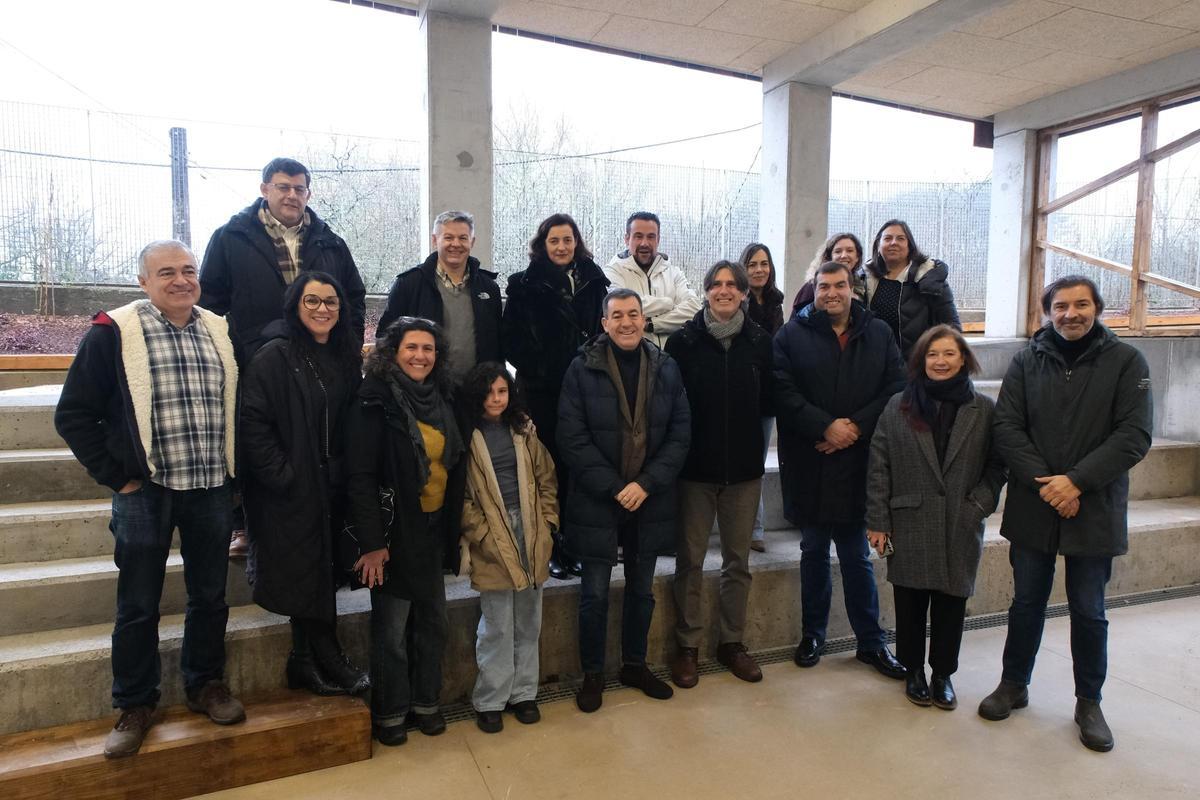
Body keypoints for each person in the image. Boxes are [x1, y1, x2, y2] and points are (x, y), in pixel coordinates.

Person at [55, 240, 244, 758]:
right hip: (146, 493)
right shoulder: (113, 332)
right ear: (143, 281)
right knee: (138, 604)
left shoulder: (218, 331)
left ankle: (205, 683)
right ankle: (135, 703)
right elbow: (73, 414)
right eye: (167, 272)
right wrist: (118, 477)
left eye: (188, 270)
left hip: (209, 488)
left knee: (210, 596)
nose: (181, 280)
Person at [978, 276, 1152, 753]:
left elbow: (1134, 435)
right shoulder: (1026, 361)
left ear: (1097, 307)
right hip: (1036, 506)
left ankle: (1089, 701)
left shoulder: (1126, 362)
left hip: (1094, 506)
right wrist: (1050, 485)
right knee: (1026, 603)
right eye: (1060, 306)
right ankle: (1014, 684)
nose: (1070, 313)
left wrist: (1075, 481)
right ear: (1047, 311)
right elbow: (1008, 427)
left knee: (1089, 611)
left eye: (1080, 305)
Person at [200, 156, 366, 557]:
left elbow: (354, 298)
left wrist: (346, 346)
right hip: (254, 359)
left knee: (317, 434)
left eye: (299, 188)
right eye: (283, 187)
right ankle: (243, 523)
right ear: (264, 190)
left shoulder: (330, 241)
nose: (292, 195)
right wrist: (233, 349)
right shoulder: (231, 237)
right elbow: (209, 303)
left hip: (322, 358)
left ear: (308, 193)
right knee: (256, 436)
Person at [558, 288, 691, 713]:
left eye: (633, 314)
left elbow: (680, 434)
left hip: (649, 499)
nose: (627, 322)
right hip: (599, 499)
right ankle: (593, 673)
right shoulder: (581, 368)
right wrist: (615, 486)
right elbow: (571, 437)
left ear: (644, 320)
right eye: (617, 316)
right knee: (594, 593)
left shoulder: (666, 367)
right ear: (604, 323)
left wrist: (647, 483)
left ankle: (634, 664)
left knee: (642, 591)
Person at [773, 260, 906, 680]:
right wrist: (824, 426)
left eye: (839, 285)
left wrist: (853, 427)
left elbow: (896, 387)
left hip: (859, 460)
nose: (831, 292)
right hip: (810, 459)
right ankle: (812, 634)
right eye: (823, 286)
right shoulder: (792, 335)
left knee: (856, 555)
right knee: (813, 551)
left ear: (853, 289)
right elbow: (782, 389)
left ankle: (871, 640)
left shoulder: (878, 333)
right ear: (813, 290)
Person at [239, 271, 368, 697]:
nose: (322, 309)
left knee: (322, 572)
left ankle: (305, 661)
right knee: (303, 574)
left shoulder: (345, 355)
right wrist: (283, 474)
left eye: (330, 302)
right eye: (312, 301)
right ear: (296, 306)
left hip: (333, 484)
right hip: (292, 489)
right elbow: (253, 425)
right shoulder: (274, 356)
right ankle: (325, 657)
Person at [866, 325, 1006, 709]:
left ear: (963, 359)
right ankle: (913, 671)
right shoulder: (899, 406)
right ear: (920, 360)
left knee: (951, 602)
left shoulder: (983, 409)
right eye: (932, 354)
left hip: (961, 519)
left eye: (948, 354)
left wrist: (979, 504)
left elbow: (997, 465)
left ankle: (943, 673)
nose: (940, 361)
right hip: (910, 518)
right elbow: (879, 465)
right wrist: (877, 520)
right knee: (910, 602)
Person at [345, 317, 468, 747]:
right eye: (411, 347)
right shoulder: (374, 400)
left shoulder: (444, 397)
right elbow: (359, 476)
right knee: (392, 631)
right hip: (396, 530)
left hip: (434, 527)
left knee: (433, 622)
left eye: (428, 349)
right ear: (393, 352)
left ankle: (426, 702)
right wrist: (373, 544)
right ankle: (391, 710)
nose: (420, 356)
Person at [666, 261, 772, 687]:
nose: (725, 291)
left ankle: (732, 643)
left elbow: (770, 403)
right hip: (695, 472)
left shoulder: (761, 343)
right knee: (690, 561)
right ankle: (687, 647)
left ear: (744, 292)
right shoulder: (683, 343)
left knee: (737, 563)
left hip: (744, 472)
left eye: (733, 285)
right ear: (706, 291)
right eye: (717, 285)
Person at [502, 213, 610, 579]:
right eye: (554, 241)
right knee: (546, 468)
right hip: (544, 391)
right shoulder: (524, 285)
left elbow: (602, 332)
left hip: (588, 389)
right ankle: (550, 546)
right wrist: (546, 367)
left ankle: (576, 544)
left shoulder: (595, 281)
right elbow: (511, 341)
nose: (562, 247)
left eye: (567, 240)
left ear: (576, 242)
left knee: (580, 467)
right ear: (542, 245)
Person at [458, 363, 558, 734]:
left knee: (529, 620)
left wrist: (548, 524)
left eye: (501, 391)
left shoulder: (524, 430)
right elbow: (463, 497)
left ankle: (524, 694)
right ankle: (491, 699)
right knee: (497, 624)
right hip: (490, 534)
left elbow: (546, 477)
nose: (495, 399)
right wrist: (481, 534)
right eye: (487, 392)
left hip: (530, 529)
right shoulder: (467, 435)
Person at [376, 210, 502, 383]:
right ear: (435, 240)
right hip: (424, 391)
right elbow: (385, 339)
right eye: (448, 237)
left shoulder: (489, 288)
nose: (456, 244)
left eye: (463, 238)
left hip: (476, 391)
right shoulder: (409, 284)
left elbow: (497, 344)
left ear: (472, 242)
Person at [739, 242, 785, 553]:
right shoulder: (738, 301)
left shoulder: (775, 303)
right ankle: (743, 526)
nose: (759, 269)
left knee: (754, 462)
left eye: (764, 264)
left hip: (766, 396)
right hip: (741, 392)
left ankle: (755, 528)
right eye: (753, 264)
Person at [862, 219, 960, 358]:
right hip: (877, 364)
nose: (893, 242)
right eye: (887, 238)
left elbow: (952, 327)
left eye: (900, 238)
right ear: (878, 245)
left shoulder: (931, 278)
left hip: (918, 366)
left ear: (910, 246)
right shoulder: (864, 279)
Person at [603, 211, 701, 348]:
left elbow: (694, 309)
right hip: (632, 361)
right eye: (638, 236)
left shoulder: (673, 272)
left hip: (671, 360)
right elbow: (622, 307)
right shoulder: (613, 272)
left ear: (658, 239)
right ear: (626, 239)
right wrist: (667, 303)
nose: (644, 243)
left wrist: (652, 324)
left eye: (651, 237)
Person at [791, 232, 867, 314]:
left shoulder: (862, 286)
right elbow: (798, 318)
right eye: (838, 251)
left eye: (849, 251)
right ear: (829, 257)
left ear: (857, 257)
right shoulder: (812, 286)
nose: (844, 255)